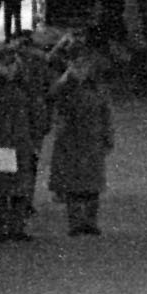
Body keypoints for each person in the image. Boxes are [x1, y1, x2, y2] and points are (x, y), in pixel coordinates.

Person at [46, 47, 112, 235]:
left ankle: (90, 221)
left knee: (92, 185)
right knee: (73, 184)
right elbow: (51, 95)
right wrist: (66, 78)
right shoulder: (66, 86)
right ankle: (75, 222)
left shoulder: (97, 87)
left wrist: (108, 137)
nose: (82, 69)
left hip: (92, 140)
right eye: (78, 65)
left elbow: (106, 112)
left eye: (85, 65)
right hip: (71, 141)